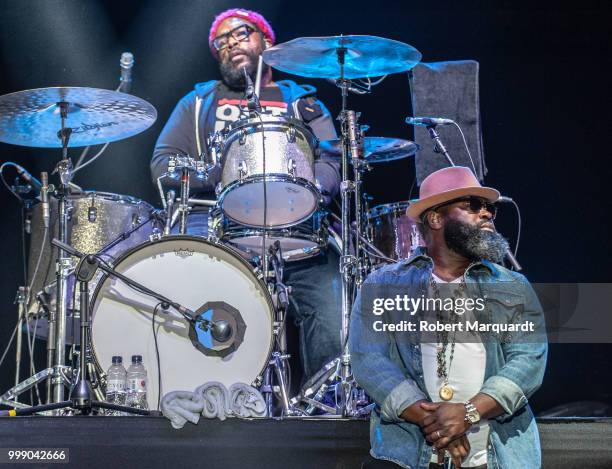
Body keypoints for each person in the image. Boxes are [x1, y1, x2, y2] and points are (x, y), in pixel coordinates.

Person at [150, 8, 342, 384]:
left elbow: (332, 156)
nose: (230, 44)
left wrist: (314, 190)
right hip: (221, 229)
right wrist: (219, 173)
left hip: (299, 228)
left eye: (241, 34)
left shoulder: (301, 100)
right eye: (221, 42)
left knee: (333, 318)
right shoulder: (199, 103)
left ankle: (325, 407)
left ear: (266, 42)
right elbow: (162, 164)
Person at [349, 166, 547, 468]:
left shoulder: (513, 286)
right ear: (436, 218)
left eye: (490, 208)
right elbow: (370, 361)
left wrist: (467, 414)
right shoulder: (382, 285)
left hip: (495, 455)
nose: (487, 214)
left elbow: (528, 361)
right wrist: (438, 423)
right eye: (473, 205)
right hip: (407, 455)